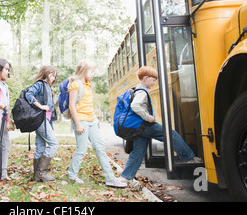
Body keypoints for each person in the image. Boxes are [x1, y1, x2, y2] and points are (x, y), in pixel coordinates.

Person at [116, 66, 196, 187]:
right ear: (146, 78)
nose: (154, 83)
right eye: (153, 80)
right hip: (144, 125)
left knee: (138, 152)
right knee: (171, 134)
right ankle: (188, 157)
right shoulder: (142, 91)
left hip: (138, 127)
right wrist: (148, 117)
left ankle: (125, 177)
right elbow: (135, 105)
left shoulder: (138, 89)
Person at [67, 59, 126, 188]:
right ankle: (71, 175)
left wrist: (95, 119)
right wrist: (77, 124)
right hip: (81, 121)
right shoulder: (75, 84)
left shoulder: (88, 84)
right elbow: (72, 106)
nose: (93, 74)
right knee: (81, 149)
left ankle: (110, 178)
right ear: (83, 71)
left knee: (100, 148)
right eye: (91, 71)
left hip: (92, 121)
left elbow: (88, 104)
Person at [26, 66, 59, 182]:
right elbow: (29, 94)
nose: (53, 78)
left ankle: (36, 176)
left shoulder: (47, 87)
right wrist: (41, 106)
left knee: (40, 147)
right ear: (45, 73)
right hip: (41, 120)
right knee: (54, 143)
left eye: (55, 76)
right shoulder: (40, 84)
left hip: (46, 121)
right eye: (51, 75)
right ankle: (41, 173)